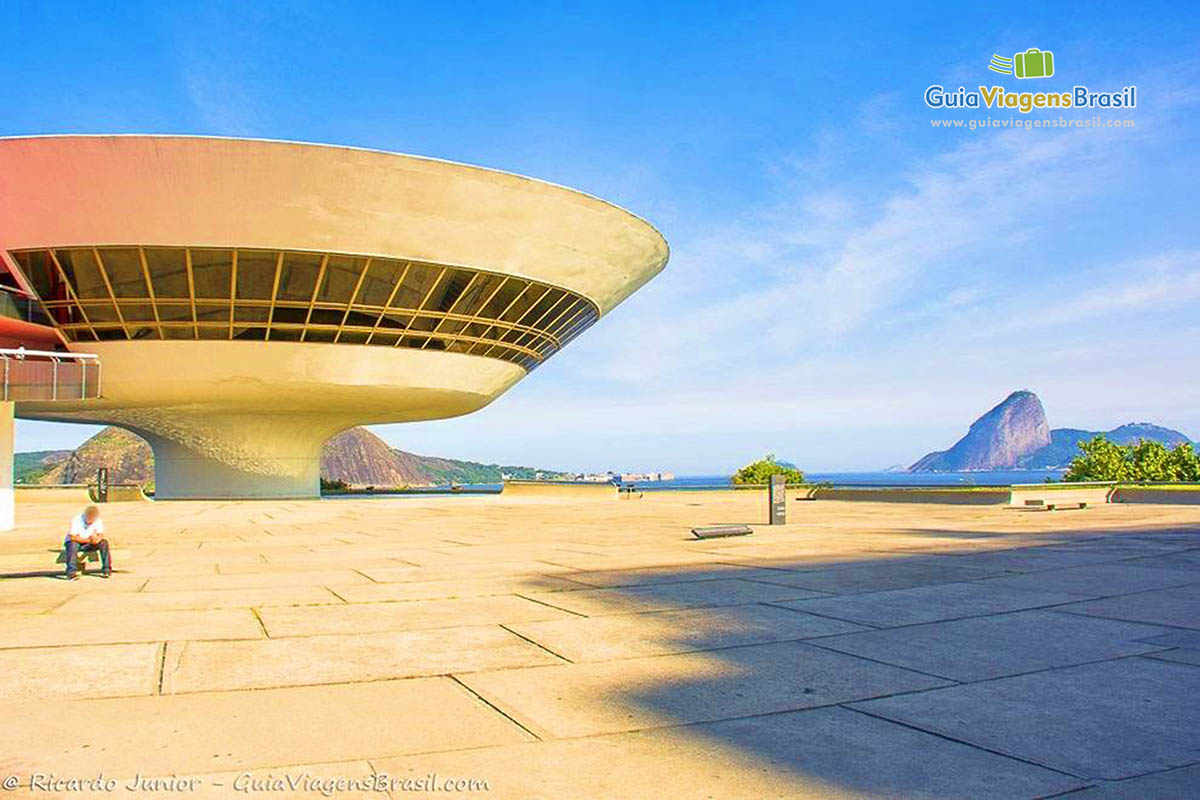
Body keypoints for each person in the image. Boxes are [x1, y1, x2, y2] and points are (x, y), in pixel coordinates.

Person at [64, 505, 111, 579]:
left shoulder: (97, 520)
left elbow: (101, 533)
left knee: (104, 543)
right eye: (89, 520)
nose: (90, 522)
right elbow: (73, 537)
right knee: (73, 545)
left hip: (89, 542)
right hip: (77, 542)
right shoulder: (77, 519)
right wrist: (88, 540)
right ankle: (71, 572)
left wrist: (97, 539)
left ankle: (106, 569)